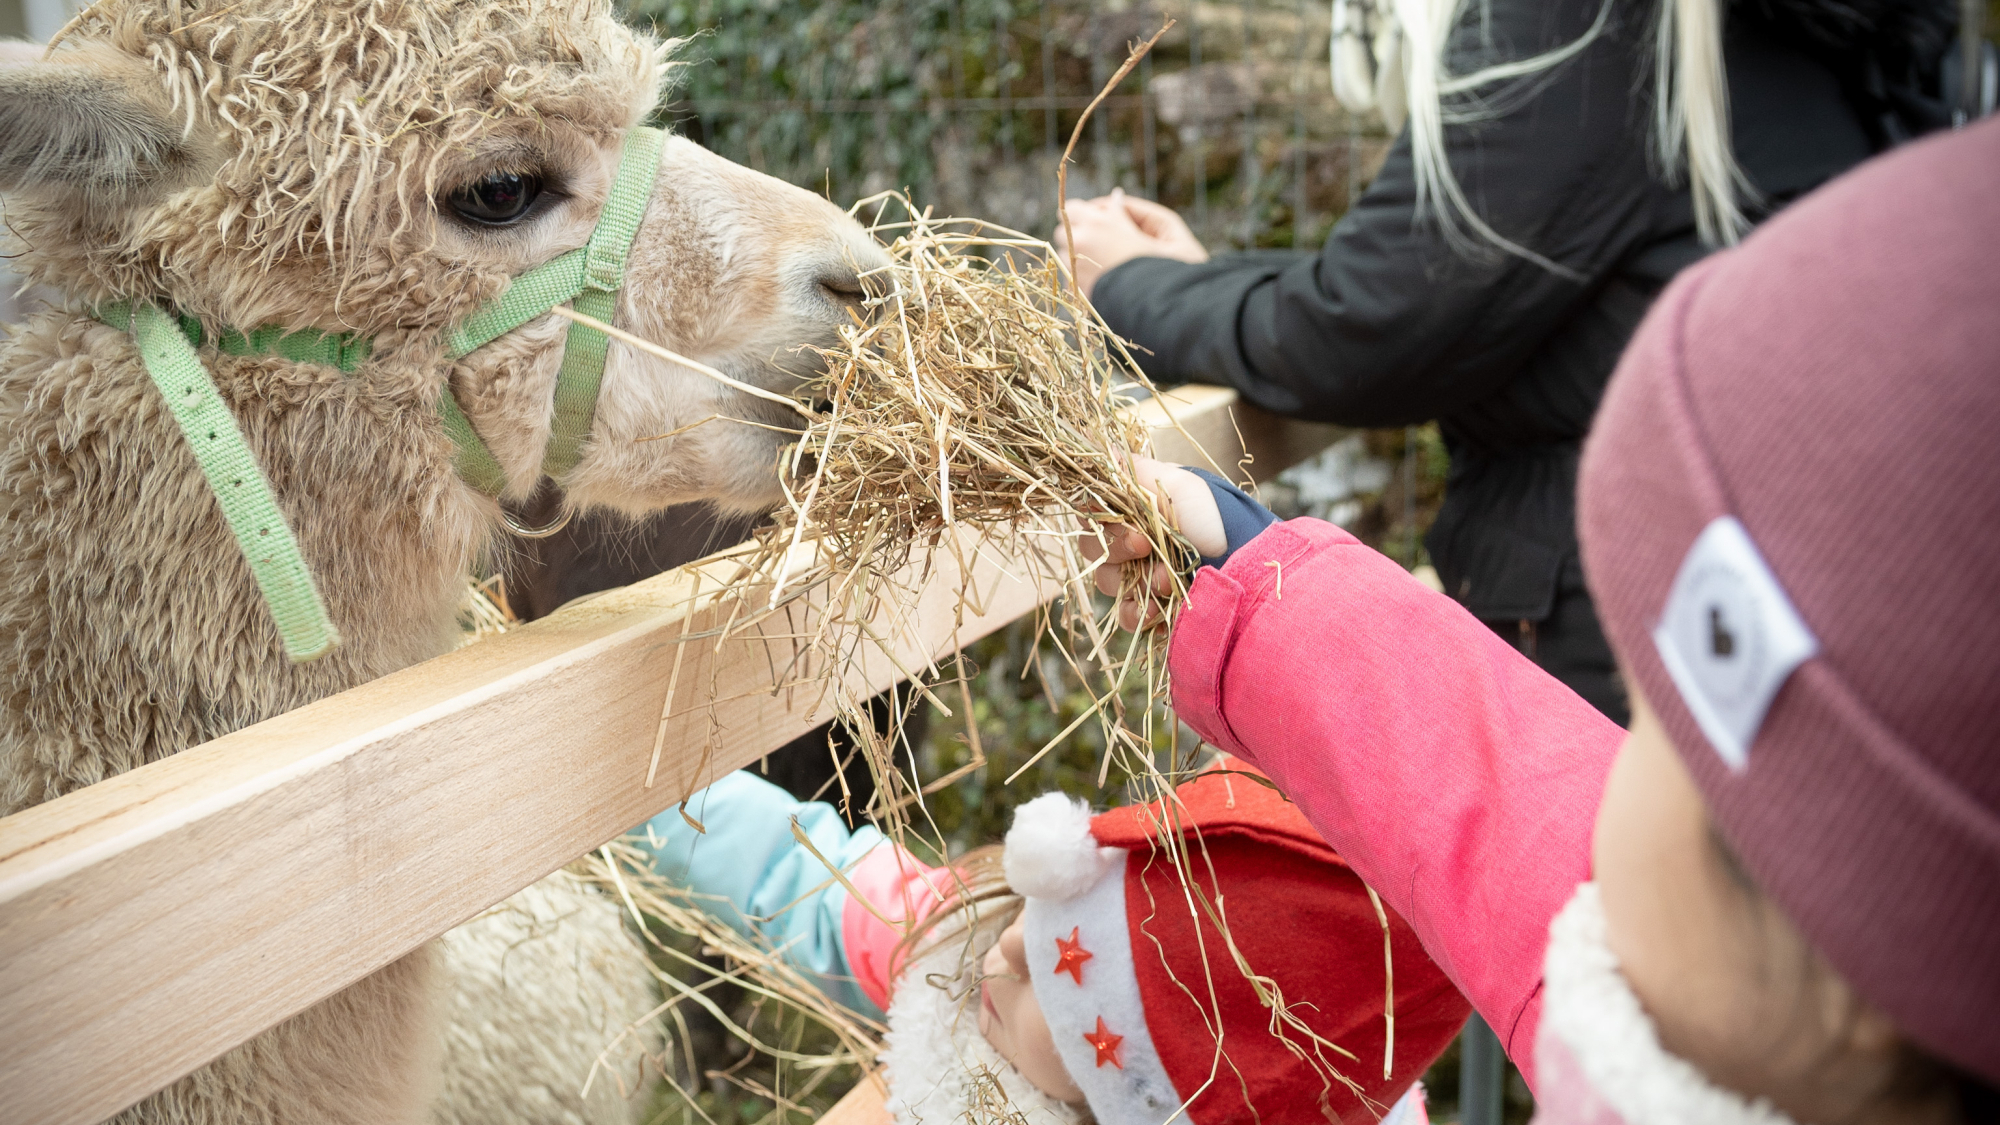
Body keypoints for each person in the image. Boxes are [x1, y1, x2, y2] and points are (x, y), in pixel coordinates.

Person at [1080, 118, 2000, 1121]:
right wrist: (1251, 567)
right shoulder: (1735, 1007)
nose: (1613, 756)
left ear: (1846, 951)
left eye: (1660, 726)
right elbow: (1516, 814)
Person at [1056, 0, 1965, 725]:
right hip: (1780, 604)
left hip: (1621, 625)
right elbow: (1458, 281)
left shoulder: (1591, 28)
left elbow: (1374, 327)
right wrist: (1207, 283)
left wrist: (1129, 285)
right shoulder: (1825, 40)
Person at [636, 760, 1472, 1125]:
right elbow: (803, 878)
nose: (1006, 948)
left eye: (1053, 978)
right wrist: (645, 803)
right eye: (1040, 919)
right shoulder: (964, 949)